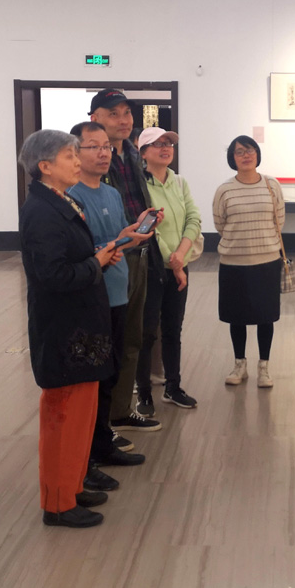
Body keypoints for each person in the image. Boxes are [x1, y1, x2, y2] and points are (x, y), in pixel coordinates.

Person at [17, 129, 150, 529]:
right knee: (64, 417)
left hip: (81, 325)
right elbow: (51, 275)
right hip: (64, 330)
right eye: (70, 156)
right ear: (45, 166)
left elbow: (70, 260)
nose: (78, 161)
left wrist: (101, 254)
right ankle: (58, 503)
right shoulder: (41, 211)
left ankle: (72, 486)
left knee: (81, 414)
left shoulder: (61, 201)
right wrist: (97, 263)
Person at [66, 121, 155, 469]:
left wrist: (133, 234)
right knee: (94, 376)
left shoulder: (111, 193)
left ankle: (103, 440)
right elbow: (80, 252)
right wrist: (113, 244)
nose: (104, 153)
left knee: (113, 368)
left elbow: (116, 242)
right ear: (75, 152)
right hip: (91, 295)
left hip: (119, 290)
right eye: (94, 146)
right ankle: (91, 447)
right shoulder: (71, 197)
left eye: (106, 146)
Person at [88, 89, 162, 436]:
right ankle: (99, 422)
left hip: (139, 253)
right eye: (113, 113)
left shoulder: (132, 153)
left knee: (133, 337)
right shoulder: (92, 162)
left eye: (127, 113)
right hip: (111, 257)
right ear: (95, 119)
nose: (123, 120)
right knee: (108, 340)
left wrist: (147, 223)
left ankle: (119, 411)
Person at [134, 127, 202, 414]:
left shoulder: (179, 182)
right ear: (143, 152)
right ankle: (144, 394)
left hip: (179, 266)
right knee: (147, 332)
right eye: (157, 144)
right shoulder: (139, 185)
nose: (165, 148)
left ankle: (173, 387)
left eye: (169, 144)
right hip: (151, 268)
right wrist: (172, 261)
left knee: (173, 330)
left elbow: (193, 219)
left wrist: (180, 256)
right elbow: (149, 228)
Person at [212, 135, 284, 388]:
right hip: (234, 263)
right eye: (240, 151)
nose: (246, 155)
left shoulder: (271, 185)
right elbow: (219, 223)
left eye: (250, 150)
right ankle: (239, 364)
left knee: (266, 316)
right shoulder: (224, 190)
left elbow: (279, 220)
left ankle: (264, 367)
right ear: (232, 158)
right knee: (237, 316)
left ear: (257, 154)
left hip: (267, 261)